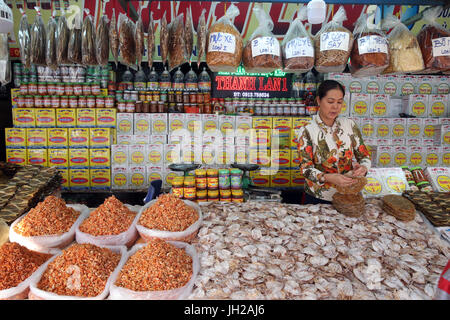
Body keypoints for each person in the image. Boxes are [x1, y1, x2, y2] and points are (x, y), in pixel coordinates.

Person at [296, 80, 371, 204]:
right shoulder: (307, 130)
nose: (335, 107)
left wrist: (363, 167)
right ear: (319, 101)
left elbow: (364, 155)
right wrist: (327, 177)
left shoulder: (349, 125)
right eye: (330, 102)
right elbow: (305, 168)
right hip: (319, 197)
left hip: (348, 194)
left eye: (339, 102)